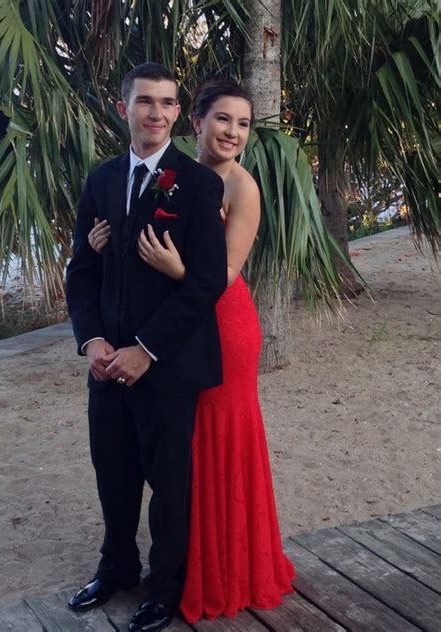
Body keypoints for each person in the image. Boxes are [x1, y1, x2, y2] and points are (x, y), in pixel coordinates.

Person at [88, 80, 295, 623]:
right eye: (222, 119)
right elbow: (121, 251)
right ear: (196, 121)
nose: (232, 132)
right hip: (164, 326)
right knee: (179, 457)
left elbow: (218, 276)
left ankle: (211, 568)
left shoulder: (238, 188)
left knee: (209, 450)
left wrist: (177, 271)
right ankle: (157, 567)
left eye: (243, 123)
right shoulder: (172, 174)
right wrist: (100, 249)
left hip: (221, 321)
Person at [65, 63, 227, 632]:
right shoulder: (102, 180)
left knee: (169, 487)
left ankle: (163, 589)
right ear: (123, 107)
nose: (155, 113)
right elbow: (81, 271)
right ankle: (117, 569)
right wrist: (93, 342)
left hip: (167, 368)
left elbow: (206, 282)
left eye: (166, 103)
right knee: (113, 474)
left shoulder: (199, 184)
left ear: (178, 114)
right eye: (144, 102)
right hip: (106, 366)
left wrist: (145, 349)